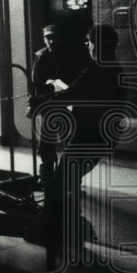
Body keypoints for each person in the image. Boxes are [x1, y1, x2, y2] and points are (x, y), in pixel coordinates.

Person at [38, 25, 126, 256]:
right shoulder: (114, 70)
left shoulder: (98, 70)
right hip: (101, 138)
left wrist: (46, 100)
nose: (87, 46)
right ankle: (71, 227)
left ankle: (60, 230)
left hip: (89, 138)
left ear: (98, 44)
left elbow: (75, 93)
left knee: (59, 182)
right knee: (69, 179)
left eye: (89, 42)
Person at [28, 22, 88, 182]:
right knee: (46, 142)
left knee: (71, 143)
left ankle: (71, 178)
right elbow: (35, 83)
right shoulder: (41, 56)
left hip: (70, 102)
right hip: (50, 103)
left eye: (55, 37)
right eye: (48, 38)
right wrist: (34, 101)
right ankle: (46, 175)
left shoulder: (75, 55)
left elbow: (80, 81)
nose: (51, 41)